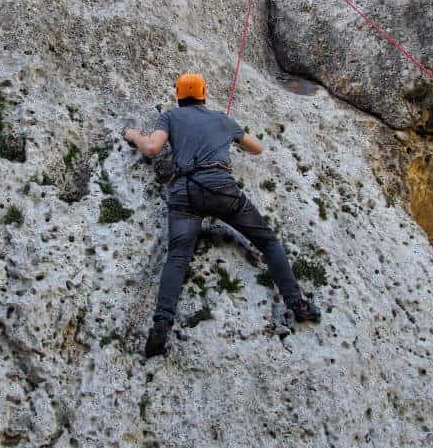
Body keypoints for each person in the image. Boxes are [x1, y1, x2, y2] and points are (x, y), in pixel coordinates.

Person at [123, 73, 321, 358]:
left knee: (178, 256)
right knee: (267, 242)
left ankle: (161, 324)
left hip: (185, 192)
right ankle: (297, 304)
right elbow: (257, 148)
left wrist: (132, 135)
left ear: (179, 96)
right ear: (204, 94)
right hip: (221, 189)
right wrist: (229, 131)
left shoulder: (171, 116)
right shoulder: (221, 119)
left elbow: (153, 148)